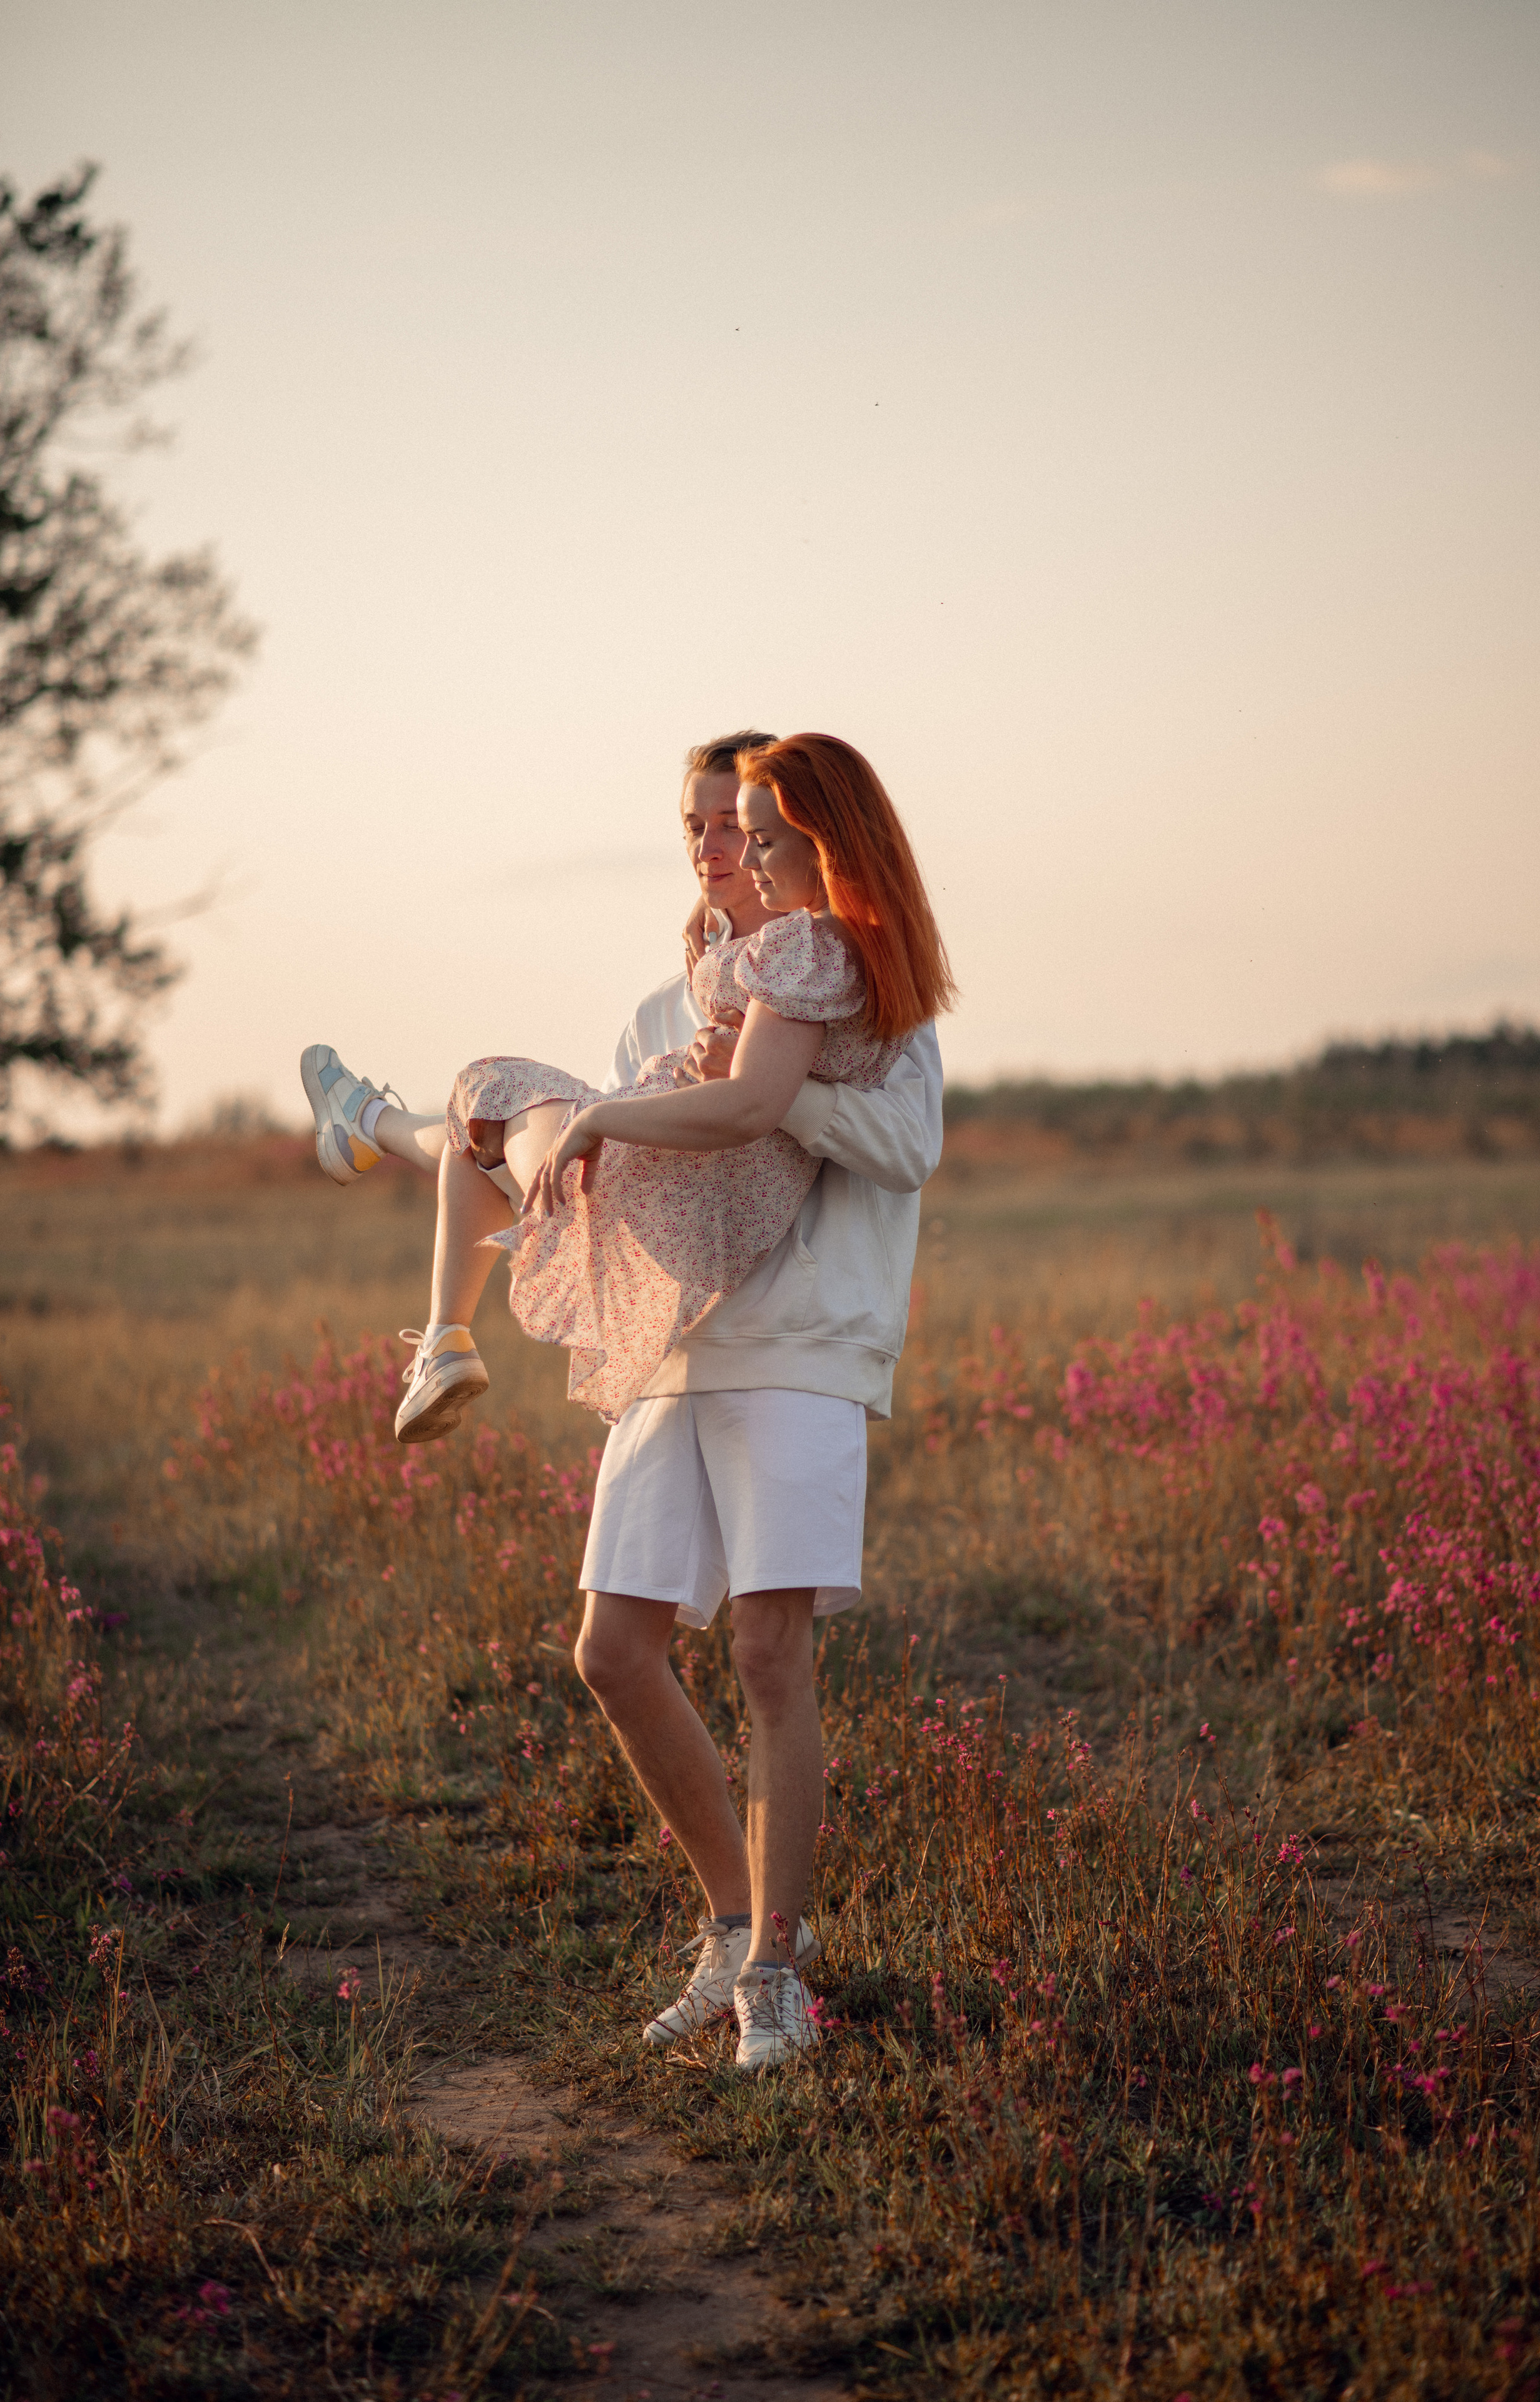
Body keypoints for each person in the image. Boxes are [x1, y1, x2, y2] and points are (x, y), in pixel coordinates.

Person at [302, 733, 947, 2070]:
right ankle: (729, 1927)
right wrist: (632, 1126)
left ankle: (777, 1969)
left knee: (771, 1657)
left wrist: (767, 1095)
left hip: (799, 1344)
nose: (727, 851)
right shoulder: (675, 1000)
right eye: (712, 829)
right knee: (610, 1648)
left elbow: (899, 1144)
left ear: (810, 841)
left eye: (750, 829)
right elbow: (666, 1142)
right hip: (673, 1347)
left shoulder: (859, 977)